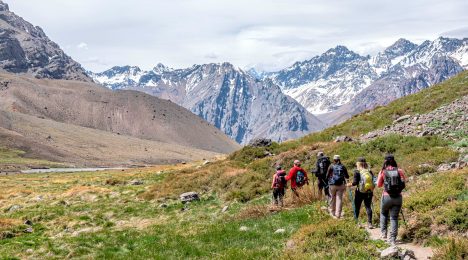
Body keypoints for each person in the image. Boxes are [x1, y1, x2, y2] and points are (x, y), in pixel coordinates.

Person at [377, 154, 406, 246]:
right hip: (398, 197)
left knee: (383, 213)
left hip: (386, 196)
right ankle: (392, 239)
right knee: (394, 218)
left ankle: (383, 234)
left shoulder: (383, 171)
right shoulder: (399, 171)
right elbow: (403, 183)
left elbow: (379, 185)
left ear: (385, 161)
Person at [347, 157, 375, 228]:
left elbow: (355, 182)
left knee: (357, 206)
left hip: (360, 192)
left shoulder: (357, 171)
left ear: (358, 163)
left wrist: (350, 184)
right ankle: (369, 223)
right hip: (369, 191)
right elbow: (373, 181)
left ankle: (357, 222)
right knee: (368, 206)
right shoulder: (369, 171)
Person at [327, 155, 349, 219]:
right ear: (339, 159)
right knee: (339, 199)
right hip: (341, 185)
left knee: (332, 198)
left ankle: (332, 212)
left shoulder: (331, 166)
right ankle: (338, 214)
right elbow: (347, 176)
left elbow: (327, 175)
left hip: (332, 184)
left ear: (333, 159)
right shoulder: (342, 166)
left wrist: (328, 180)